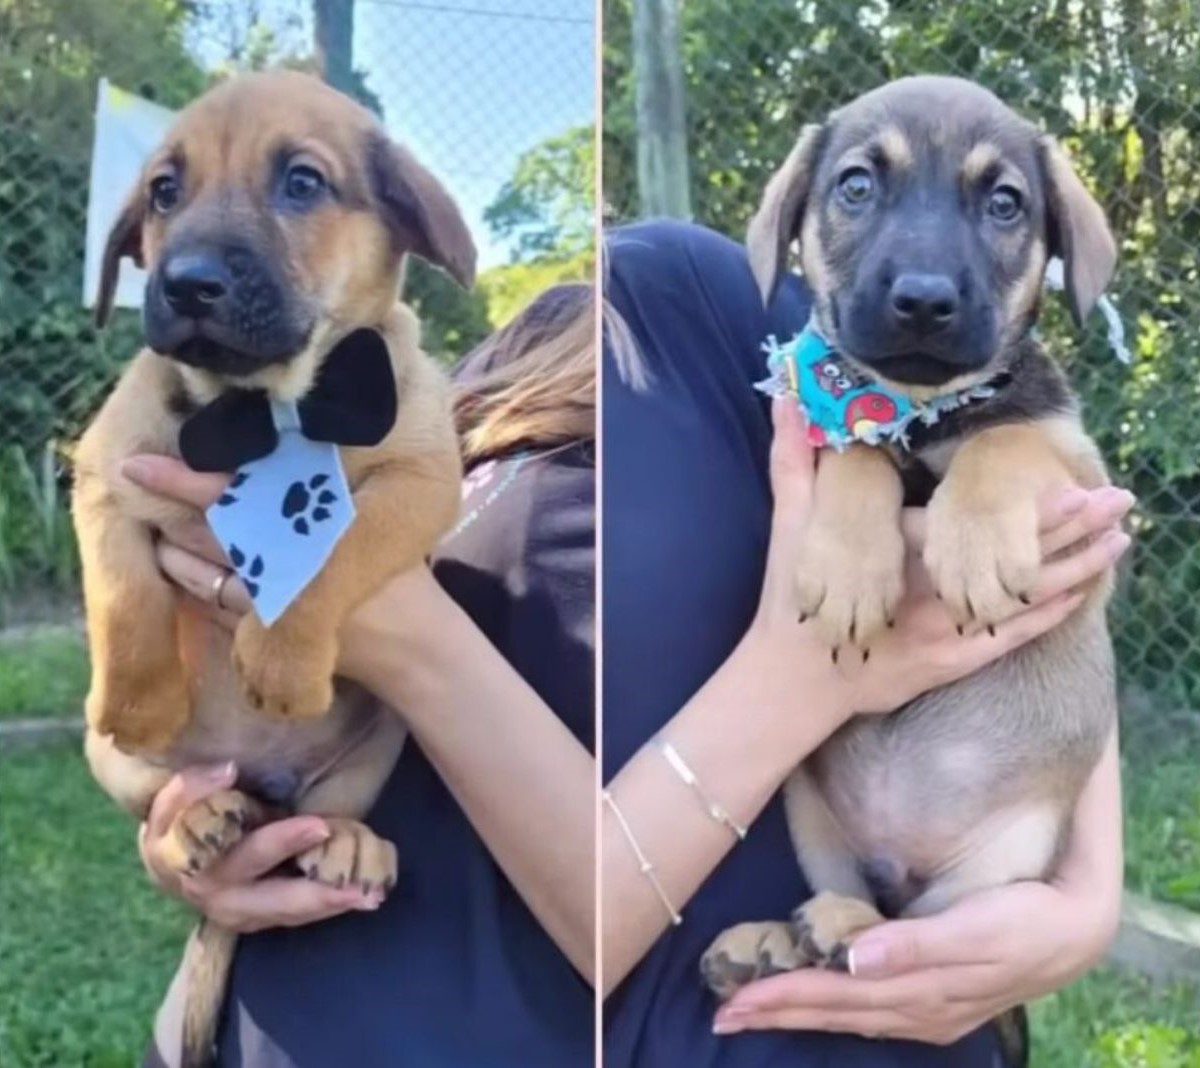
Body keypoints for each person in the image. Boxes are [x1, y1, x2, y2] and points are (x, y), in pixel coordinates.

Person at [601, 220, 1128, 1067]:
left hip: (990, 854)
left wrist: (1089, 890)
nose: (923, 274)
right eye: (859, 188)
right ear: (797, 222)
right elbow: (848, 449)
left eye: (999, 202)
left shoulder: (696, 291)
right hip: (819, 857)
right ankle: (846, 911)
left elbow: (1079, 541)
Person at [125, 283, 596, 1067]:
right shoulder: (524, 340)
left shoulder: (714, 322)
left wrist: (389, 632)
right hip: (224, 1022)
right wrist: (184, 822)